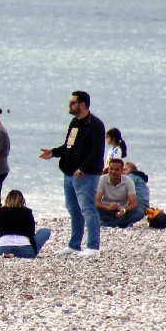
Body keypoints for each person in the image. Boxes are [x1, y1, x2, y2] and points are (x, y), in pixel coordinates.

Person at [38, 91, 105, 256]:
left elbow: (97, 151)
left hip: (86, 175)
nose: (70, 105)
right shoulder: (74, 122)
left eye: (73, 102)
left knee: (88, 208)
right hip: (69, 173)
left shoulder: (95, 124)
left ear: (82, 104)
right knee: (73, 209)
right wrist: (53, 152)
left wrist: (83, 168)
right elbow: (69, 146)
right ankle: (74, 245)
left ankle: (93, 246)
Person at [0, 190, 51, 258]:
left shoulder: (0, 211)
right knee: (46, 231)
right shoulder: (27, 212)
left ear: (7, 200)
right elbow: (32, 233)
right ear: (22, 200)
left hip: (2, 250)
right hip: (26, 251)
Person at [95, 157, 142, 227]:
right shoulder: (103, 179)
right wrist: (108, 207)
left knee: (139, 212)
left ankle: (109, 224)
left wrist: (123, 210)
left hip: (122, 211)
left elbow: (134, 204)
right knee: (93, 208)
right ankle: (120, 223)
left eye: (116, 170)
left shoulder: (128, 181)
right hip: (106, 209)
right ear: (108, 169)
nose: (113, 172)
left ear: (121, 171)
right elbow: (97, 201)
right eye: (111, 169)